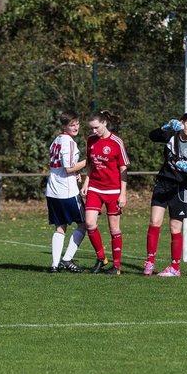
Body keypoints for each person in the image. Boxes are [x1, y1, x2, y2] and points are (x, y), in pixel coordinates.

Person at [144, 113, 187, 277]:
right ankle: (149, 262)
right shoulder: (171, 135)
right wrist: (165, 126)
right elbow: (152, 136)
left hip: (181, 187)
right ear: (182, 123)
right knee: (155, 221)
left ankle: (175, 268)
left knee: (174, 227)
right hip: (163, 183)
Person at [82, 110, 130, 275]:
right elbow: (91, 164)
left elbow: (123, 168)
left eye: (96, 127)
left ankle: (116, 266)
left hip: (113, 190)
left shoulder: (117, 141)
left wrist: (123, 194)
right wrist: (86, 183)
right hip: (95, 188)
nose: (93, 131)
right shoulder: (91, 141)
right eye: (91, 128)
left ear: (104, 123)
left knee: (114, 228)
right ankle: (101, 258)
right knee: (89, 223)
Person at [46, 111, 88, 273]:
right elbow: (69, 167)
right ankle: (67, 259)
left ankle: (54, 265)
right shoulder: (69, 142)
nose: (76, 127)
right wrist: (89, 160)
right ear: (64, 126)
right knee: (84, 224)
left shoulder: (55, 140)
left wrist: (75, 171)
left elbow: (63, 166)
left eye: (77, 123)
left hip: (52, 190)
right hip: (67, 192)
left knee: (60, 227)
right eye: (72, 124)